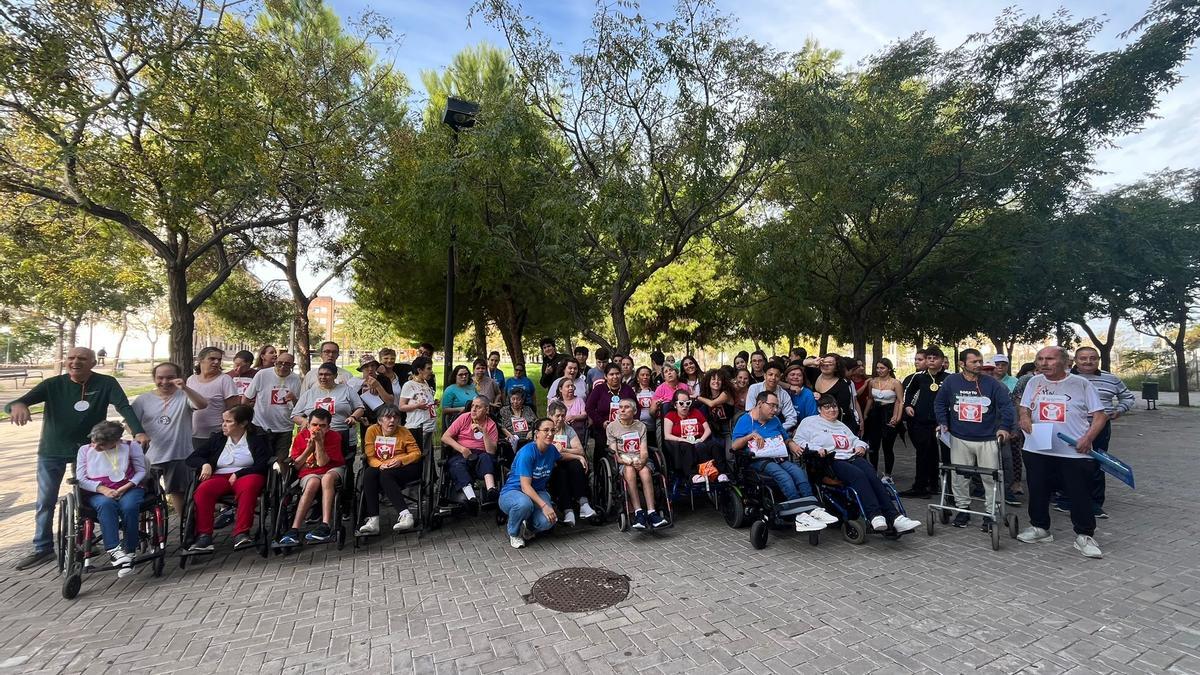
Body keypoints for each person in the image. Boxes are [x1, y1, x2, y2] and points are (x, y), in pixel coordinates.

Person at [6, 347, 148, 570]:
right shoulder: (53, 384)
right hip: (52, 449)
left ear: (93, 362)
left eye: (81, 359)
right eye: (71, 358)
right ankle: (42, 548)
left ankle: (86, 540)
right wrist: (17, 405)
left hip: (90, 449)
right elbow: (16, 403)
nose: (75, 362)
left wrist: (138, 431)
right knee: (46, 500)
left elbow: (123, 407)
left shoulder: (106, 383)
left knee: (87, 496)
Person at [1017, 346, 1108, 559]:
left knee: (1079, 494)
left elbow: (1100, 416)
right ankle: (1040, 528)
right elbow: (1024, 407)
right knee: (1038, 489)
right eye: (1040, 359)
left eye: (1049, 359)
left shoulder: (1081, 384)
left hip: (1073, 450)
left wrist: (1087, 439)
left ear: (1065, 362)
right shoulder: (1033, 382)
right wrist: (1024, 418)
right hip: (1038, 445)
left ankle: (1084, 535)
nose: (1043, 363)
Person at [793, 397, 921, 533]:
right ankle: (875, 516)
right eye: (827, 407)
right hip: (831, 460)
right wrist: (815, 448)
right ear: (819, 409)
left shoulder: (841, 425)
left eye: (834, 406)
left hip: (851, 456)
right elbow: (798, 440)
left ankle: (896, 517)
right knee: (858, 476)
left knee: (872, 475)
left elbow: (854, 440)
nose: (832, 409)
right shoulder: (810, 422)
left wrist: (861, 446)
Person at [933, 349, 1016, 531]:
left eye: (980, 361)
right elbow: (939, 403)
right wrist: (943, 422)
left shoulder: (992, 383)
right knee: (959, 477)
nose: (979, 365)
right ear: (962, 364)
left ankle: (990, 513)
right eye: (974, 362)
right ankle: (963, 510)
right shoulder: (951, 381)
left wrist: (1005, 427)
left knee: (990, 478)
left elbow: (1007, 407)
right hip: (959, 438)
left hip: (987, 439)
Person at [731, 391, 832, 533]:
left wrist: (792, 444)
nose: (775, 410)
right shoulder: (745, 420)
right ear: (760, 404)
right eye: (772, 406)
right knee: (783, 476)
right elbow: (734, 446)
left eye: (777, 407)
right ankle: (798, 513)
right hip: (758, 460)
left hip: (779, 457)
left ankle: (812, 508)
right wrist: (750, 436)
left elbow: (786, 438)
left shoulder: (775, 420)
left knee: (799, 473)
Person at [1060, 346, 1136, 520]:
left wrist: (1119, 410)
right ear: (1076, 360)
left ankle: (1095, 503)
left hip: (1099, 428)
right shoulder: (1064, 377)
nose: (1088, 361)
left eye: (1092, 358)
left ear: (1098, 360)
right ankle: (1065, 499)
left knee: (1096, 463)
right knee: (1067, 463)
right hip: (1069, 427)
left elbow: (1128, 397)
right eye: (1083, 358)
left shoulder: (1111, 378)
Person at [185, 405, 272, 551]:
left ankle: (241, 533)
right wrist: (205, 464)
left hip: (248, 474)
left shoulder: (257, 439)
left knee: (249, 486)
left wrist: (239, 474)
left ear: (243, 423)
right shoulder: (218, 438)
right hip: (220, 475)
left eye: (228, 421)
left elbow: (264, 463)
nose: (223, 425)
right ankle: (204, 536)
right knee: (203, 490)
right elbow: (192, 458)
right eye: (223, 421)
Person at [131, 362, 208, 516]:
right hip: (150, 456)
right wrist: (138, 433)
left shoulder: (184, 395)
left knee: (179, 493)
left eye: (170, 378)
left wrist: (185, 388)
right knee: (144, 493)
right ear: (154, 378)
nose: (165, 382)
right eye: (160, 378)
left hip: (179, 454)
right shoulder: (143, 399)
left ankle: (184, 527)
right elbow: (130, 423)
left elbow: (202, 404)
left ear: (178, 378)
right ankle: (146, 529)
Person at [75, 421, 147, 577]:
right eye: (94, 442)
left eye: (101, 445)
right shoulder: (84, 450)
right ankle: (114, 550)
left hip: (128, 487)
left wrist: (126, 486)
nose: (95, 447)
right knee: (106, 505)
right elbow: (80, 478)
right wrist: (103, 489)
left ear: (116, 441)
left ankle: (130, 550)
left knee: (129, 507)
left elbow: (141, 471)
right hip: (97, 492)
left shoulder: (131, 446)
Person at [276, 409, 345, 546]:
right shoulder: (301, 437)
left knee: (326, 479)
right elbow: (296, 465)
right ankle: (294, 529)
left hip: (331, 468)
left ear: (328, 427)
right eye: (314, 425)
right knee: (312, 482)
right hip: (309, 472)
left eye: (322, 426)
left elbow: (322, 462)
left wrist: (319, 443)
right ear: (308, 425)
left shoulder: (334, 436)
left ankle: (325, 524)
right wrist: (309, 448)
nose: (317, 428)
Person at [356, 404, 422, 536]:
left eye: (395, 417)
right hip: (382, 466)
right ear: (380, 420)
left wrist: (400, 461)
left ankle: (406, 515)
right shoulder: (372, 431)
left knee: (385, 475)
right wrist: (380, 465)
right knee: (369, 473)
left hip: (405, 467)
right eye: (388, 417)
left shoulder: (403, 431)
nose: (392, 420)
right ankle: (373, 520)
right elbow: (370, 456)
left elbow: (416, 453)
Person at [500, 418, 561, 548]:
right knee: (524, 504)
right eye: (546, 430)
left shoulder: (551, 449)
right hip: (514, 492)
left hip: (537, 492)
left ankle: (529, 527)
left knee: (549, 521)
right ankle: (514, 532)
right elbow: (525, 486)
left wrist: (579, 457)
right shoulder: (527, 452)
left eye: (552, 430)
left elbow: (562, 456)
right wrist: (544, 506)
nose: (550, 433)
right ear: (537, 433)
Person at [607, 399, 667, 529]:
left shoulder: (641, 426)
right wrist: (626, 461)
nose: (622, 410)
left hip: (640, 459)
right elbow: (614, 454)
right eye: (620, 407)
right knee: (629, 470)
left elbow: (644, 451)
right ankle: (638, 511)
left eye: (626, 407)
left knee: (645, 471)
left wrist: (642, 461)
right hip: (624, 461)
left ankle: (652, 512)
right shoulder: (612, 427)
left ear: (634, 411)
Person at [899, 347, 950, 499]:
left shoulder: (949, 378)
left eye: (935, 357)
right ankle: (920, 486)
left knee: (937, 454)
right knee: (923, 453)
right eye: (929, 358)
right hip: (921, 421)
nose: (932, 360)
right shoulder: (919, 377)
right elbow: (908, 392)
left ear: (942, 360)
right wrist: (908, 405)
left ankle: (935, 484)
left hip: (940, 423)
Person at [291, 363, 366, 455]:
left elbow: (360, 408)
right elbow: (294, 415)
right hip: (315, 434)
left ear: (335, 376)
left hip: (340, 433)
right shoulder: (309, 393)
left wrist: (353, 417)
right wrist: (304, 421)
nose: (323, 377)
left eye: (327, 374)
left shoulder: (347, 390)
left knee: (341, 462)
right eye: (320, 374)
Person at [242, 352, 301, 461]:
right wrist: (244, 419)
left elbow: (299, 407)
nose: (282, 367)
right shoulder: (262, 374)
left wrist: (293, 398)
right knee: (260, 458)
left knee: (281, 460)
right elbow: (246, 397)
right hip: (261, 425)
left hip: (285, 427)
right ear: (275, 363)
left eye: (287, 364)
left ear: (293, 366)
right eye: (279, 363)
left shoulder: (296, 379)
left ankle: (280, 478)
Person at [441, 396, 500, 504]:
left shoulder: (491, 424)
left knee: (487, 458)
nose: (473, 409)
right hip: (462, 453)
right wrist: (461, 448)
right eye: (472, 406)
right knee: (457, 465)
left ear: (486, 410)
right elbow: (445, 437)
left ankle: (491, 490)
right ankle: (471, 498)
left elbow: (491, 451)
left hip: (482, 454)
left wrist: (484, 432)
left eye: (478, 407)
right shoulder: (464, 417)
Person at [663, 390, 729, 483]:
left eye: (688, 403)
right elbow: (667, 435)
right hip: (682, 443)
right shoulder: (670, 416)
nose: (685, 406)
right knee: (687, 446)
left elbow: (708, 429)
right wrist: (682, 439)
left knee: (714, 445)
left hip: (700, 440)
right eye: (681, 403)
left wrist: (701, 439)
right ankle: (693, 475)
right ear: (675, 405)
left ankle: (721, 473)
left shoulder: (696, 412)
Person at [546, 401, 596, 525]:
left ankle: (583, 503)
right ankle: (568, 510)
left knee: (576, 466)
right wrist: (577, 456)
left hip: (567, 462)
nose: (561, 418)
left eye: (563, 415)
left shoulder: (568, 429)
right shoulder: (546, 430)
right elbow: (552, 455)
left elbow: (580, 450)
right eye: (557, 416)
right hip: (551, 465)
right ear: (550, 416)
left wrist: (564, 450)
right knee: (561, 472)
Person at [187, 347, 240, 451]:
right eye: (212, 359)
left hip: (216, 435)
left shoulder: (225, 380)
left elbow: (234, 410)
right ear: (200, 360)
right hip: (192, 435)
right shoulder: (191, 379)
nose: (216, 362)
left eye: (219, 359)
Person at [862, 358, 903, 480]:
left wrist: (897, 417)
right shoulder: (872, 382)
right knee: (873, 445)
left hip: (889, 412)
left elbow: (900, 401)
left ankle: (888, 473)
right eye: (878, 368)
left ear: (889, 369)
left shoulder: (895, 383)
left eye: (882, 368)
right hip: (875, 413)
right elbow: (870, 398)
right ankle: (873, 471)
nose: (879, 370)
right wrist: (865, 414)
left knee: (887, 445)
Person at [585, 364, 636, 458]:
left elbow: (636, 407)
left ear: (621, 375)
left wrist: (632, 422)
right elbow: (589, 408)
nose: (615, 377)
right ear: (605, 376)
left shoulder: (627, 389)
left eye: (617, 374)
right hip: (604, 428)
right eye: (611, 374)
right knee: (602, 453)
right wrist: (601, 422)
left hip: (625, 428)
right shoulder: (599, 389)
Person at [811, 353, 863, 435]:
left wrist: (822, 399)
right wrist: (814, 361)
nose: (826, 365)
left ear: (836, 368)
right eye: (823, 362)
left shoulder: (842, 385)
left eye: (830, 364)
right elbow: (796, 364)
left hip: (837, 426)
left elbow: (841, 409)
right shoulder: (814, 374)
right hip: (818, 422)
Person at [398, 356, 438, 450]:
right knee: (418, 454)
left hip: (428, 426)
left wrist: (433, 403)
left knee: (428, 455)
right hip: (416, 427)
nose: (431, 371)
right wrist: (417, 406)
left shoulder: (426, 383)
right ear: (419, 370)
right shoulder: (409, 385)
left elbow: (424, 399)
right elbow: (401, 406)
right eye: (428, 368)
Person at [745, 363, 798, 433]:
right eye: (770, 374)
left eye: (777, 376)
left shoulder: (783, 394)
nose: (773, 378)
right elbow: (750, 411)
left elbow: (792, 418)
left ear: (780, 378)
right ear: (765, 376)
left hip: (774, 428)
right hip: (754, 427)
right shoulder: (754, 388)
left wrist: (779, 429)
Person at [350, 353, 393, 426]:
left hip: (384, 420)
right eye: (366, 366)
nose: (370, 369)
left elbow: (390, 401)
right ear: (361, 369)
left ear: (376, 367)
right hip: (365, 422)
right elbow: (351, 405)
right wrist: (359, 418)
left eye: (373, 365)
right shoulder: (355, 383)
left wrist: (378, 386)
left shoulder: (384, 380)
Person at [696, 368, 737, 441]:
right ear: (708, 381)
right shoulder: (707, 396)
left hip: (727, 429)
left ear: (723, 382)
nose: (716, 381)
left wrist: (697, 397)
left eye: (719, 379)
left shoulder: (726, 394)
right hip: (713, 429)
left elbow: (711, 404)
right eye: (713, 379)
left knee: (730, 451)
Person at [499, 390, 537, 456]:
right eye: (513, 399)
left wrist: (531, 432)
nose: (515, 402)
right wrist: (510, 435)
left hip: (528, 437)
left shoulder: (528, 409)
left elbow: (536, 422)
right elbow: (501, 426)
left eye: (518, 399)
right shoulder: (504, 410)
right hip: (512, 438)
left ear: (522, 400)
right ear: (510, 399)